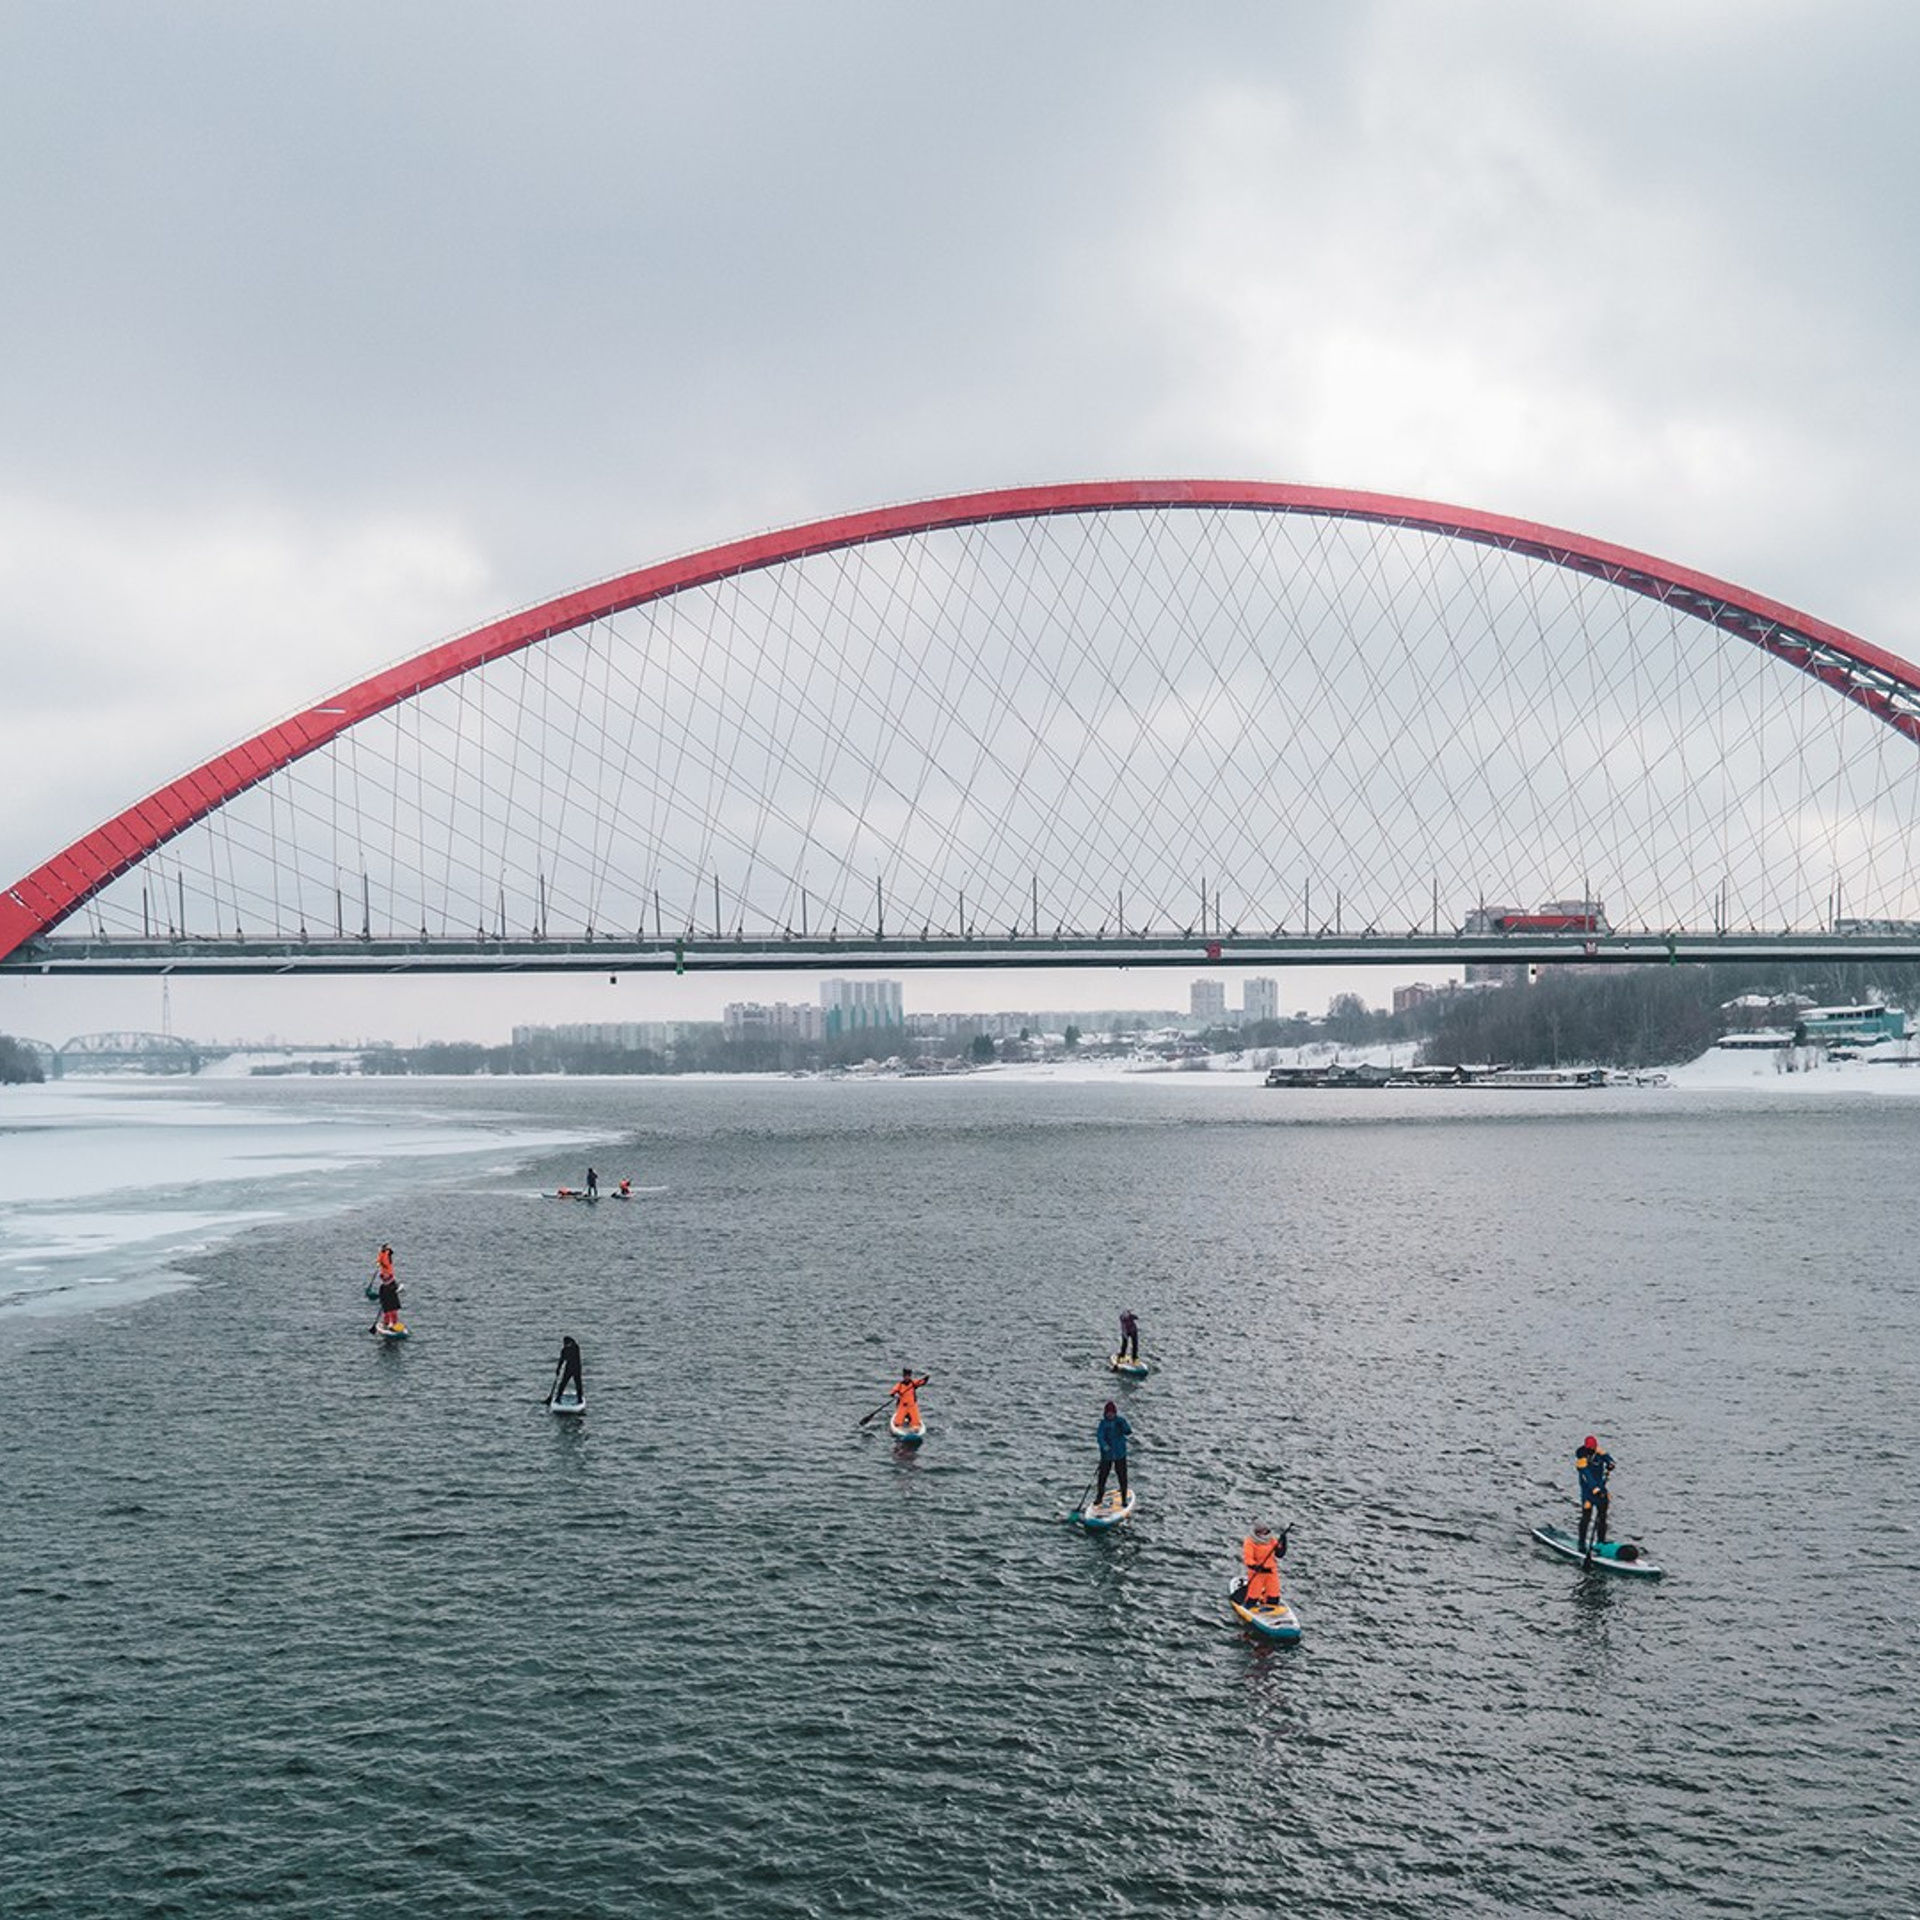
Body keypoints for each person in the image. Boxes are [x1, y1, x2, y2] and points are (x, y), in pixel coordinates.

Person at [1576, 1435, 1615, 1552]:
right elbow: (1587, 1476)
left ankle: (1600, 1541)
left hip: (1601, 1490)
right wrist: (1595, 1489)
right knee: (1586, 1517)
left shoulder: (1598, 1455)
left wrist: (1610, 1463)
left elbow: (1608, 1459)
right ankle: (1582, 1542)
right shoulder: (1582, 1461)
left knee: (1602, 1517)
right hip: (1589, 1493)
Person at [1235, 1525, 1289, 1606]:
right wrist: (1255, 1566)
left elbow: (1279, 1554)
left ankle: (1267, 1604)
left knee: (1274, 1596)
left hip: (1271, 1571)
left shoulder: (1271, 1540)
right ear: (1256, 1533)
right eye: (1261, 1532)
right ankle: (1249, 1603)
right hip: (1257, 1572)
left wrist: (1283, 1541)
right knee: (1253, 1597)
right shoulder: (1250, 1542)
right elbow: (1248, 1559)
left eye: (1265, 1531)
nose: (1264, 1534)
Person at [1096, 1399, 1132, 1505]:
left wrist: (1123, 1425)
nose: (1110, 1415)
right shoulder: (1103, 1424)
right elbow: (1100, 1437)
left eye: (1112, 1413)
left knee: (1122, 1476)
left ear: (1115, 1413)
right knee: (1102, 1477)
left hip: (1120, 1454)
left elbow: (1128, 1431)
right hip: (1106, 1456)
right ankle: (1099, 1497)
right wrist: (1104, 1446)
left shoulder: (1120, 1421)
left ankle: (1124, 1498)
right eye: (1108, 1413)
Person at [552, 1335, 584, 1404]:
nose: (566, 1345)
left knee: (578, 1384)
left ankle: (580, 1398)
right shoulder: (564, 1350)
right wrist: (558, 1369)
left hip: (576, 1368)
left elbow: (572, 1350)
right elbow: (561, 1360)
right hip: (568, 1369)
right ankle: (558, 1397)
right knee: (563, 1383)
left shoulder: (576, 1348)